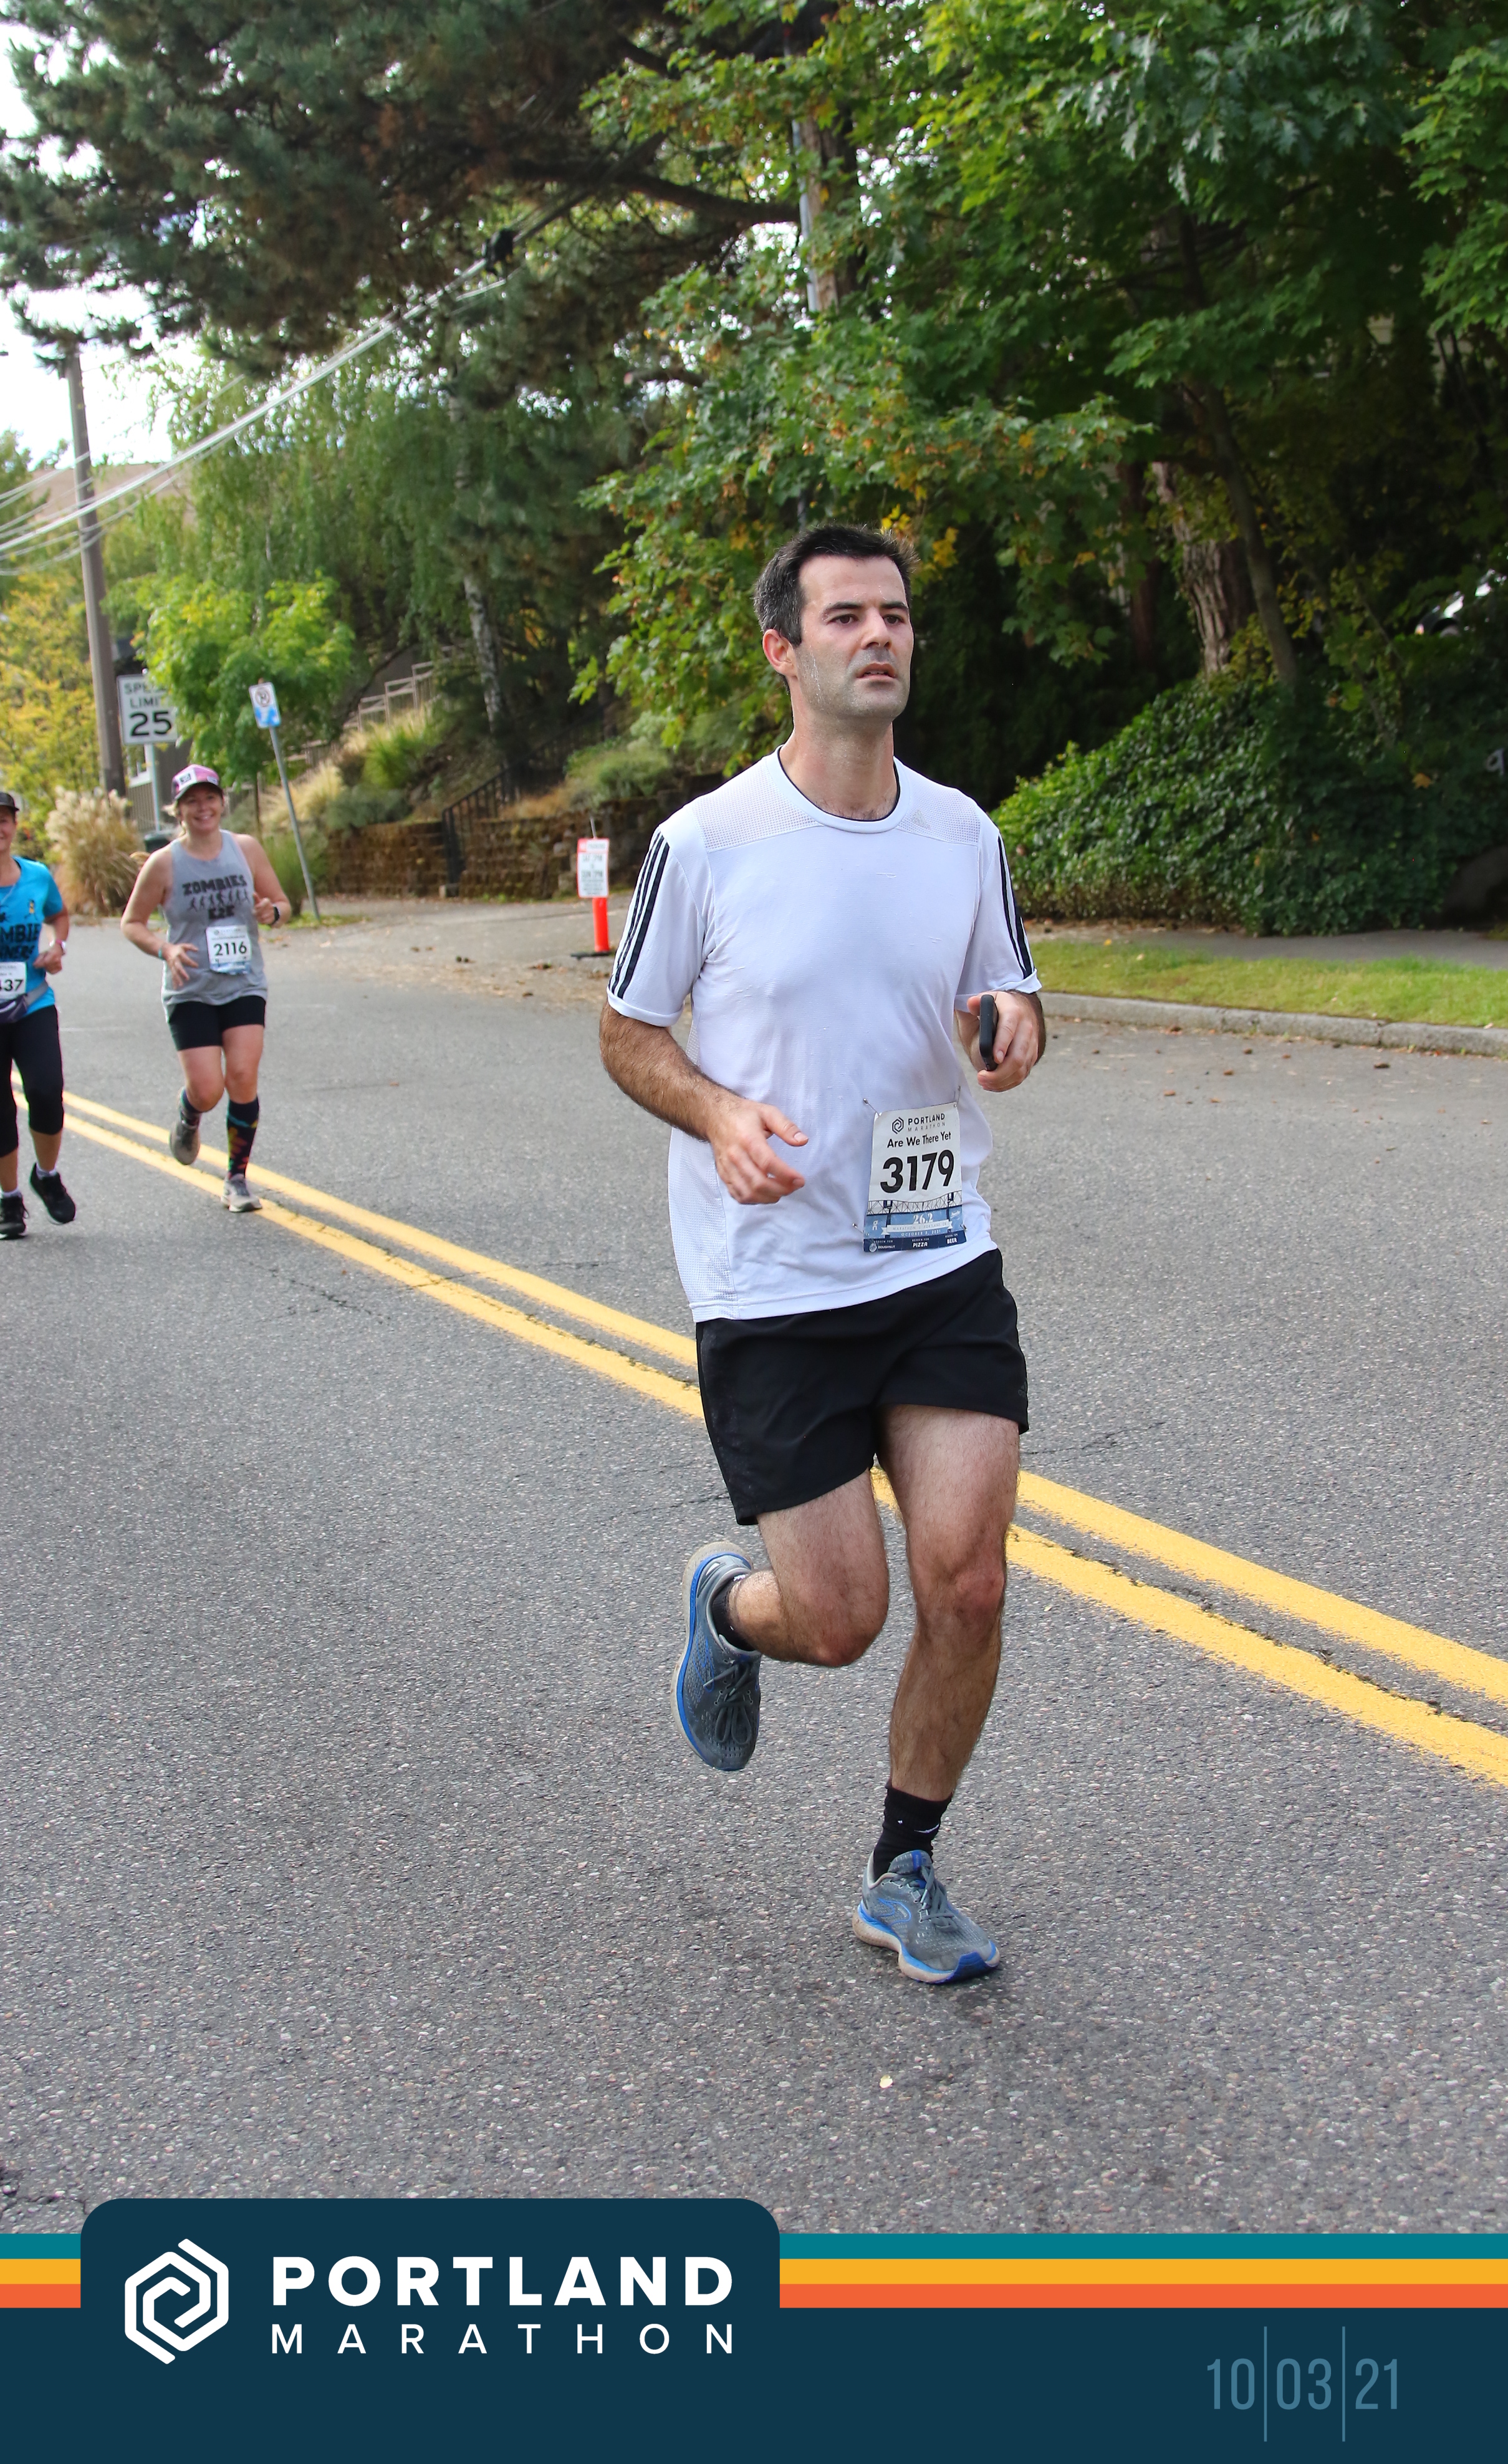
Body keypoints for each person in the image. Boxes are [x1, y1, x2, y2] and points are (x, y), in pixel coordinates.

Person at [600, 522, 1045, 1986]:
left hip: (934, 1254)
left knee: (966, 1581)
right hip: (775, 1285)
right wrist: (718, 1111)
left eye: (896, 614)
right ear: (783, 651)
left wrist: (1013, 1028)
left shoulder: (962, 834)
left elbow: (1009, 998)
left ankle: (903, 1867)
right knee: (841, 1618)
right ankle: (728, 1607)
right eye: (845, 615)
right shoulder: (706, 843)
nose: (880, 635)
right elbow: (626, 1032)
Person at [120, 763, 289, 1211]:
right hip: (190, 987)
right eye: (192, 802)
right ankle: (189, 1113)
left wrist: (272, 913)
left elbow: (282, 904)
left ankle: (237, 1179)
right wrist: (165, 949)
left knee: (243, 1076)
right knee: (208, 1089)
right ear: (178, 811)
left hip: (243, 981)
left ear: (221, 803)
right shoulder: (164, 863)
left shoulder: (245, 849)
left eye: (209, 798)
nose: (203, 808)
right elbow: (132, 923)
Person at [0, 788, 75, 1238]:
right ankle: (9, 1199)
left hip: (32, 1003)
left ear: (13, 825)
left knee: (46, 1091)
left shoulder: (36, 876)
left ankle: (46, 1176)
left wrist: (57, 946)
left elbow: (59, 915)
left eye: (4, 819)